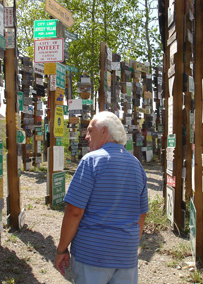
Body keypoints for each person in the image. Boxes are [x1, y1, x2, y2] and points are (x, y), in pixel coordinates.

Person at [55, 111, 149, 284]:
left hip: (92, 255)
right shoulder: (137, 165)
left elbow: (74, 211)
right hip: (126, 257)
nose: (87, 136)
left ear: (105, 132)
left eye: (91, 131)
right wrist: (126, 246)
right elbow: (141, 214)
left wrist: (61, 249)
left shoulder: (91, 161)